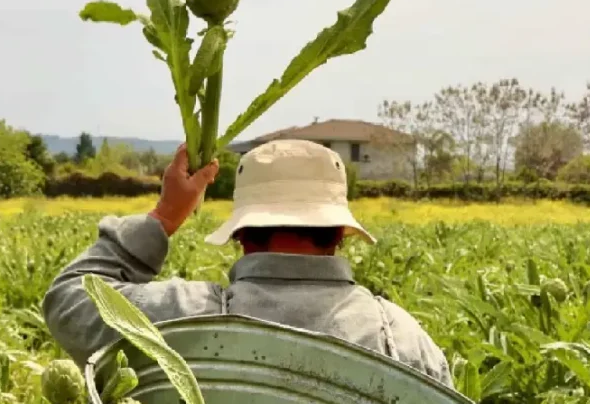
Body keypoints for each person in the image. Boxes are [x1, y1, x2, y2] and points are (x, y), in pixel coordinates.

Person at [41, 138, 452, 386]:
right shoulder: (403, 341)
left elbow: (68, 300)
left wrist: (165, 215)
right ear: (341, 233)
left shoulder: (185, 320)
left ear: (239, 233)